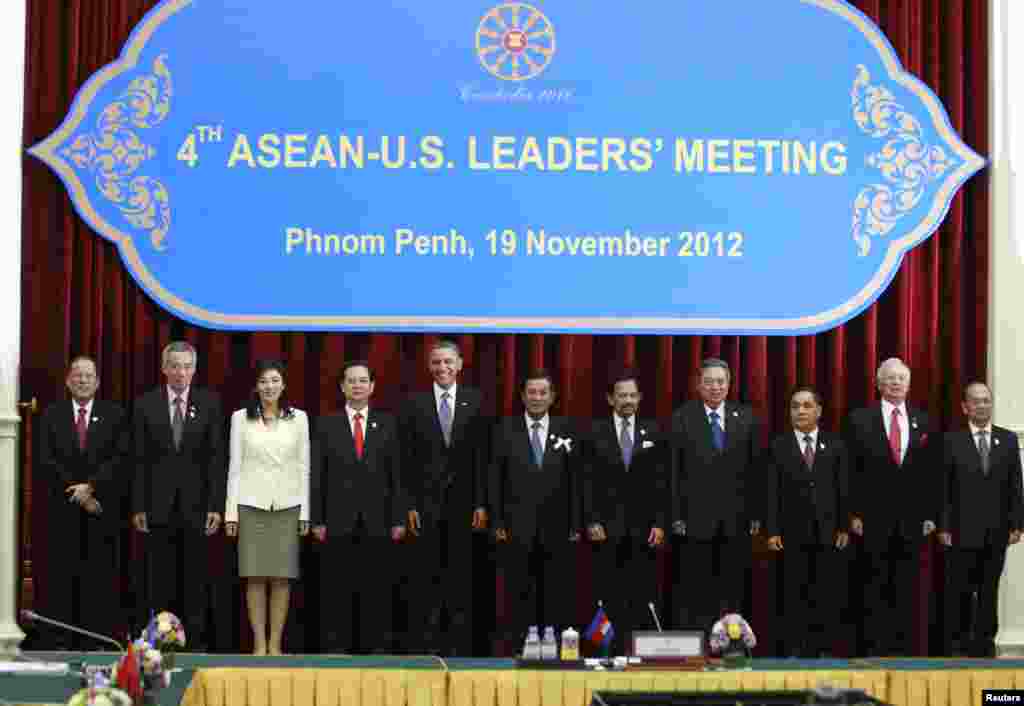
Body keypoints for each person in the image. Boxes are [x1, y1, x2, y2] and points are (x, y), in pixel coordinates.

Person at [131, 341, 225, 650]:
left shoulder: (210, 403)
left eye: (186, 366)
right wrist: (139, 506)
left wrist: (214, 505)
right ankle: (160, 644)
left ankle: (195, 645)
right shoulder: (145, 404)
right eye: (174, 365)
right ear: (164, 368)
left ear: (194, 369)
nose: (180, 372)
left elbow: (216, 458)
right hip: (157, 508)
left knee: (195, 580)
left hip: (197, 508)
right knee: (159, 580)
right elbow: (139, 459)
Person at [398, 340, 488, 655]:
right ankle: (426, 649)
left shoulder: (476, 401)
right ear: (429, 366)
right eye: (436, 362)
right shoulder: (414, 403)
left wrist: (480, 502)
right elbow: (404, 458)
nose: (443, 368)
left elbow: (483, 457)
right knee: (426, 579)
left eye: (448, 362)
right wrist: (409, 504)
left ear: (460, 364)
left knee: (461, 579)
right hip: (426, 506)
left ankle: (459, 649)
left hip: (465, 506)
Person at [311, 360, 407, 653]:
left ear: (373, 386)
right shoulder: (325, 423)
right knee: (336, 591)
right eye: (351, 381)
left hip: (378, 521)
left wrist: (398, 518)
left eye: (363, 380)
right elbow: (317, 474)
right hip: (337, 521)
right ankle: (336, 649)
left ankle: (375, 649)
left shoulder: (389, 423)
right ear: (342, 387)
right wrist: (317, 519)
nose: (357, 386)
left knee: (376, 590)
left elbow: (397, 474)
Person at [844, 357, 936, 656]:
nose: (896, 382)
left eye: (902, 378)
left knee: (906, 586)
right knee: (872, 584)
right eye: (890, 377)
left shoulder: (923, 420)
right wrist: (852, 513)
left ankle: (903, 650)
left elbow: (929, 473)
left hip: (911, 521)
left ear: (909, 385)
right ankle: (873, 648)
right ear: (878, 383)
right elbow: (849, 471)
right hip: (871, 519)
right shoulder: (859, 418)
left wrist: (930, 515)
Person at [36, 356, 126, 649]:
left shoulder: (115, 415)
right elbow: (46, 460)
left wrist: (92, 488)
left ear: (98, 382)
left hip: (102, 510)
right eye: (78, 375)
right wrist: (77, 494)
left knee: (98, 579)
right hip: (61, 512)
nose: (83, 380)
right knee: (62, 577)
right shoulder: (51, 415)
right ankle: (60, 640)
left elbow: (120, 458)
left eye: (89, 376)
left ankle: (95, 640)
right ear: (67, 380)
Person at [669, 358, 763, 636]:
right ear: (699, 385)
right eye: (709, 381)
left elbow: (756, 470)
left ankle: (731, 642)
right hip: (695, 520)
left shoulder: (746, 418)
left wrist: (756, 514)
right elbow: (674, 472)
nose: (715, 387)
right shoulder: (682, 418)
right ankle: (700, 644)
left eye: (720, 381)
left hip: (736, 520)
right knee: (697, 587)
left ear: (729, 384)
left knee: (732, 586)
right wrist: (676, 515)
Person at [224, 359, 310, 655]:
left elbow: (304, 467)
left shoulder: (298, 418)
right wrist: (231, 513)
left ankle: (276, 645)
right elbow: (234, 467)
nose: (269, 386)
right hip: (251, 504)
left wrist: (306, 512)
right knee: (255, 576)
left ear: (283, 385)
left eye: (274, 380)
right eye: (263, 381)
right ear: (255, 386)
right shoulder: (240, 418)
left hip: (287, 506)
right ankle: (259, 644)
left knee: (282, 577)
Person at [489, 370, 580, 649]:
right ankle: (521, 645)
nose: (537, 397)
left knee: (555, 590)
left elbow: (577, 481)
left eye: (543, 392)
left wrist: (576, 523)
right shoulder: (504, 429)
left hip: (558, 526)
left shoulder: (568, 429)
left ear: (552, 397)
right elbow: (494, 478)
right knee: (520, 591)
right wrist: (497, 521)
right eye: (532, 392)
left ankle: (551, 646)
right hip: (516, 526)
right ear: (522, 396)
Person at [582, 370, 667, 655]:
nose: (628, 400)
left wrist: (659, 522)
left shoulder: (654, 431)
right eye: (622, 395)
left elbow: (662, 481)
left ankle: (637, 653)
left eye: (632, 395)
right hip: (606, 529)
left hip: (644, 531)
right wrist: (591, 519)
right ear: (610, 399)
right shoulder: (594, 432)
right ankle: (604, 653)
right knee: (607, 594)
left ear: (640, 398)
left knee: (641, 594)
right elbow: (586, 480)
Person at [763, 385, 850, 657]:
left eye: (806, 405)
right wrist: (772, 530)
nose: (800, 411)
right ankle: (795, 650)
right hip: (791, 534)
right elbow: (771, 491)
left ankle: (824, 649)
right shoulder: (778, 445)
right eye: (795, 406)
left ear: (819, 411)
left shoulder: (836, 444)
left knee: (826, 595)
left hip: (828, 534)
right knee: (793, 595)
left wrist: (843, 526)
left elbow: (843, 488)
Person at [938, 382, 1023, 657]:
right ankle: (959, 644)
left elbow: (1016, 486)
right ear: (965, 407)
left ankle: (985, 645)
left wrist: (1017, 524)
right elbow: (943, 489)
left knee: (989, 590)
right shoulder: (951, 441)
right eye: (976, 401)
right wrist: (944, 526)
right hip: (960, 531)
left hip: (997, 532)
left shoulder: (1008, 440)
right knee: (960, 591)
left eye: (986, 400)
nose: (982, 405)